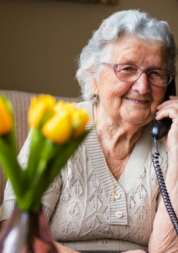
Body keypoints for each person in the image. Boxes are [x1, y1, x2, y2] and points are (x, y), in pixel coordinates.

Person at [1, 9, 178, 253]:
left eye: (156, 73)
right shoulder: (58, 129)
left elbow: (167, 250)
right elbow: (17, 238)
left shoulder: (168, 141)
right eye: (127, 68)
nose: (143, 86)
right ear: (93, 77)